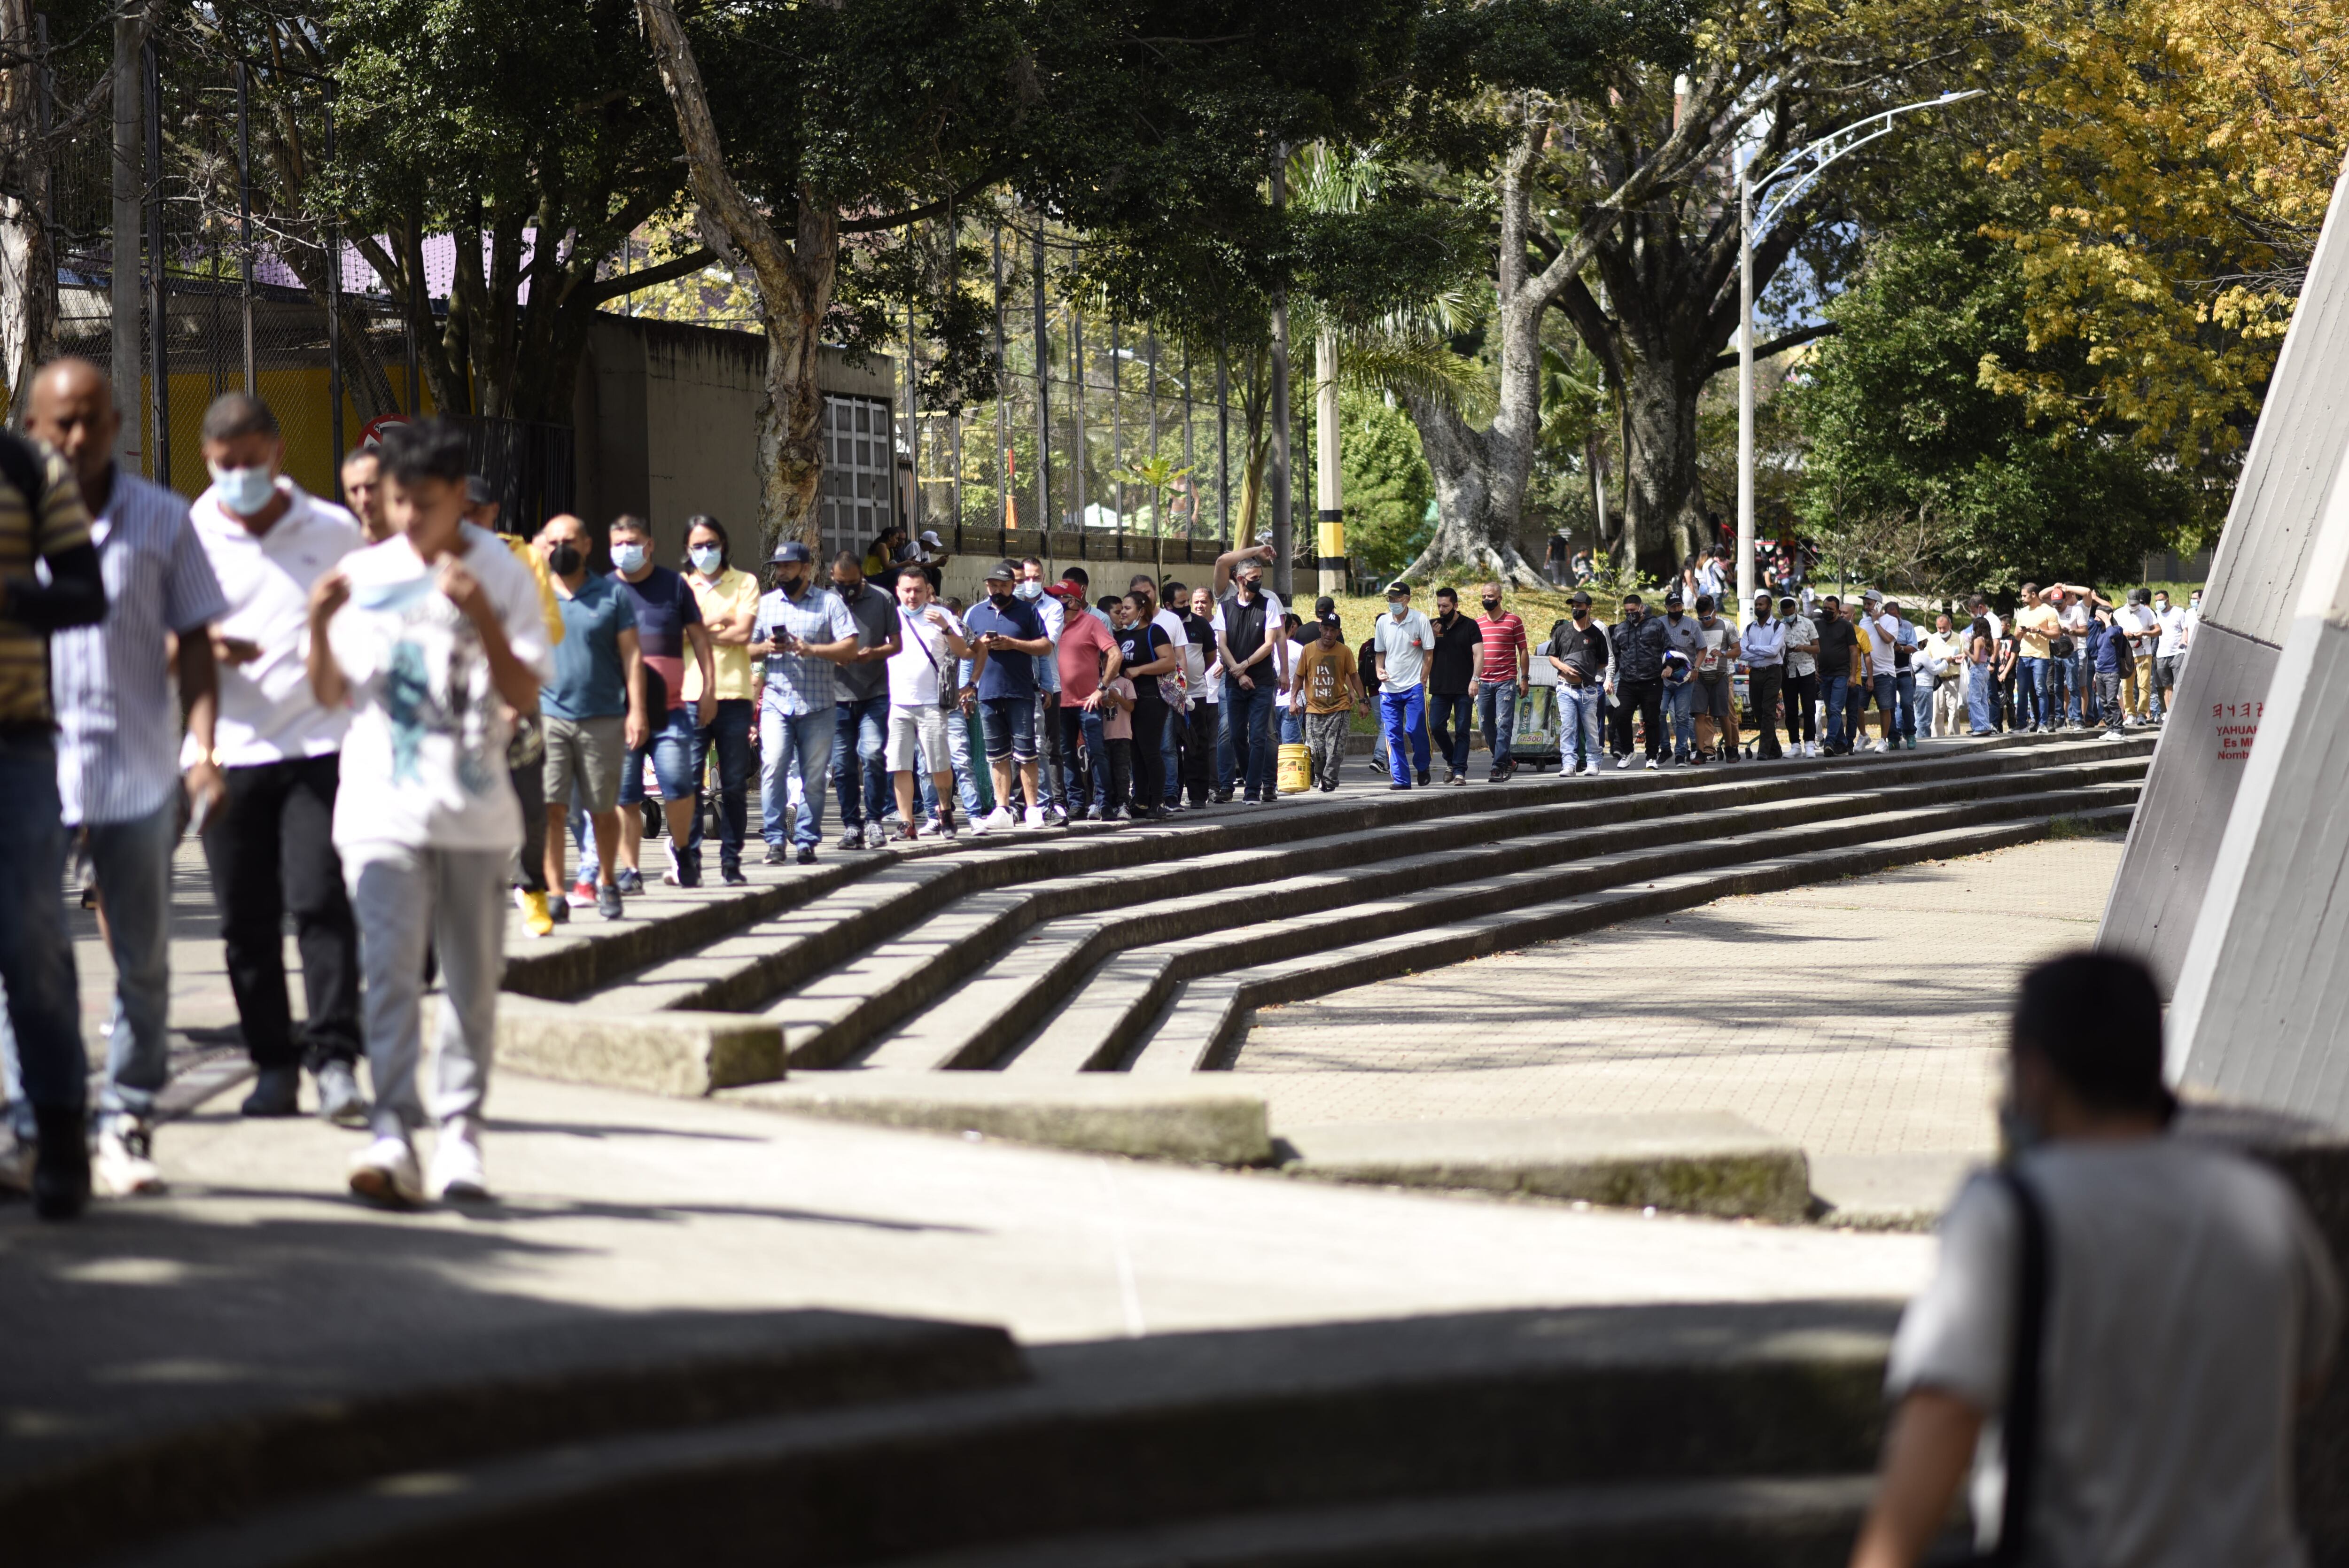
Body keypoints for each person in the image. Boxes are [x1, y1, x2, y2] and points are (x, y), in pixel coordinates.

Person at [1848, 951, 2340, 1568]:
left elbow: (1946, 1410)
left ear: (2036, 1073)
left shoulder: (2008, 1213)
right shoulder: (2264, 1203)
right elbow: (2306, 1374)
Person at [306, 418, 550, 1206]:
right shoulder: (363, 572)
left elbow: (521, 694)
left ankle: (460, 1139)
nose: (408, 518)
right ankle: (390, 1131)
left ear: (460, 499)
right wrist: (316, 621)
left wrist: (480, 614)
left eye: (425, 503)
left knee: (472, 985)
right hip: (380, 807)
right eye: (397, 501)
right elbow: (327, 694)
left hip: (475, 815)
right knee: (387, 972)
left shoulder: (502, 573)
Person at [5, 361, 224, 1198]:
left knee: (141, 959)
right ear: (32, 428)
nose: (77, 438)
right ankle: (32, 1122)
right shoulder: (12, 514)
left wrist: (202, 747)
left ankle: (126, 1116)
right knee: (21, 954)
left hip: (136, 770)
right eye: (60, 423)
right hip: (32, 767)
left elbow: (198, 641)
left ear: (119, 422)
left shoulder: (164, 519)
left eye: (93, 420)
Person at [183, 391, 367, 1121]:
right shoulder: (189, 532)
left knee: (319, 901)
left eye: (251, 464)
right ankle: (272, 1065)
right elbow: (162, 640)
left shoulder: (331, 530)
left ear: (278, 453)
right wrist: (200, 651)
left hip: (318, 744)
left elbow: (362, 636)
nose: (239, 480)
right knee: (244, 920)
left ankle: (335, 1060)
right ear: (208, 460)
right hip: (227, 751)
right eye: (226, 467)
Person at [0, 370, 110, 1218]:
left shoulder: (31, 470)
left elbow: (85, 592)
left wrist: (13, 596)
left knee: (34, 943)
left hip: (18, 746)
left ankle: (62, 1134)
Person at [537, 513, 642, 920]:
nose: (561, 547)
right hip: (549, 717)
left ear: (586, 545)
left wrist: (637, 710)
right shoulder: (534, 594)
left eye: (570, 539)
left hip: (602, 717)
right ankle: (554, 893)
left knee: (602, 808)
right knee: (552, 808)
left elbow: (632, 655)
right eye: (553, 541)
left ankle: (608, 882)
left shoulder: (611, 595)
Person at [605, 514, 715, 887]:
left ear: (649, 545)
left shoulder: (675, 586)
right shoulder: (603, 591)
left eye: (632, 542)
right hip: (619, 715)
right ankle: (630, 870)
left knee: (680, 786)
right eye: (617, 544)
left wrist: (709, 690)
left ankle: (684, 851)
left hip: (670, 711)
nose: (625, 551)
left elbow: (700, 639)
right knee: (626, 796)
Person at [750, 540, 856, 865]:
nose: (781, 573)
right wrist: (766, 648)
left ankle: (807, 840)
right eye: (778, 568)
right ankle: (775, 840)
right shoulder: (765, 606)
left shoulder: (830, 604)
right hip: (777, 704)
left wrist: (811, 650)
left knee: (814, 777)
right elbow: (743, 650)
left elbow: (850, 649)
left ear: (806, 568)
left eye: (788, 567)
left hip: (819, 706)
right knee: (773, 768)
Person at [680, 516, 759, 885]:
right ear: (687, 549)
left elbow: (743, 632)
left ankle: (731, 861)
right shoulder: (680, 585)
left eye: (711, 544)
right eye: (698, 546)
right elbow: (670, 635)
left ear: (724, 544)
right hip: (691, 697)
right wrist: (719, 624)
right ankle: (690, 859)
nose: (705, 552)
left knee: (733, 784)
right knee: (688, 784)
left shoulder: (745, 582)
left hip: (735, 696)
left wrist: (697, 630)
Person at [964, 560, 1053, 832]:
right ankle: (1002, 808)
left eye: (1004, 585)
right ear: (986, 586)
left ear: (1014, 586)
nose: (998, 590)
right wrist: (967, 687)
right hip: (988, 693)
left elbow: (1046, 646)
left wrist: (1013, 643)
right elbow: (966, 653)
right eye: (994, 585)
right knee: (996, 754)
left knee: (1027, 754)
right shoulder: (975, 613)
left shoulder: (1027, 611)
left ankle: (1033, 809)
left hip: (1021, 692)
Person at [884, 567, 970, 841]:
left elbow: (964, 652)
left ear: (927, 590)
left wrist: (945, 628)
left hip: (932, 703)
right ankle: (906, 823)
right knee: (901, 765)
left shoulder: (942, 615)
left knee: (939, 763)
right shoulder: (889, 617)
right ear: (898, 591)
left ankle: (945, 811)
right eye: (907, 590)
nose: (912, 596)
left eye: (918, 590)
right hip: (897, 703)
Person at [826, 550, 902, 851]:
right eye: (840, 582)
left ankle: (874, 820)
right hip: (836, 697)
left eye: (853, 582)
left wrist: (874, 653)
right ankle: (851, 826)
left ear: (863, 577)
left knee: (872, 755)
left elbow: (896, 645)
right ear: (832, 577)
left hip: (875, 693)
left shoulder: (882, 599)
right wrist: (835, 655)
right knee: (842, 765)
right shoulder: (825, 602)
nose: (846, 589)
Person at [1213, 551, 1284, 802]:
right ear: (1241, 579)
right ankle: (1248, 774)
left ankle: (1254, 789)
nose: (1259, 581)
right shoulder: (1224, 608)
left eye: (1260, 577)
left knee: (1259, 736)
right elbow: (1222, 644)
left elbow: (1269, 644)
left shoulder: (1269, 605)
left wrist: (1244, 665)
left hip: (1262, 682)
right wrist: (1237, 671)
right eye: (1254, 577)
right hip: (1235, 682)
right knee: (1235, 736)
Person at [1052, 579, 1120, 821]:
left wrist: (1101, 688)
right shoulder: (1052, 624)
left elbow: (1115, 654)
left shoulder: (1092, 623)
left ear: (1071, 601)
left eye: (1058, 597)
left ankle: (1104, 804)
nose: (1053, 601)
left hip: (1087, 703)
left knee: (1097, 753)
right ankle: (1076, 804)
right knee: (1066, 755)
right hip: (1059, 703)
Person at [1109, 583, 1179, 817]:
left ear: (1142, 610)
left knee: (1150, 751)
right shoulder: (1121, 635)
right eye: (1121, 609)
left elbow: (1169, 661)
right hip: (1128, 701)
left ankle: (1158, 801)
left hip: (1152, 698)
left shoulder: (1154, 632)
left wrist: (1140, 670)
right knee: (1135, 753)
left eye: (1128, 608)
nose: (1123, 613)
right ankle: (1140, 801)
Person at [1018, 558, 1070, 824]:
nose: (1030, 582)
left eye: (1036, 577)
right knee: (1017, 746)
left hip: (1048, 685)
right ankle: (1019, 803)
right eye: (1025, 578)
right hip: (1015, 684)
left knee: (1049, 747)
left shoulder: (1053, 608)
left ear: (1044, 577)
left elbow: (1046, 643)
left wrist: (1012, 638)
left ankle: (1056, 801)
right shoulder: (1008, 607)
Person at [1372, 579, 1435, 790]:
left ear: (1407, 600)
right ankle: (1401, 779)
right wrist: (1379, 670)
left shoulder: (1420, 620)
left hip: (1413, 686)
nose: (1393, 603)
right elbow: (1380, 652)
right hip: (1389, 690)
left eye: (1397, 599)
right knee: (1393, 734)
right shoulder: (1383, 623)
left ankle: (1423, 765)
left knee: (1416, 729)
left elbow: (1429, 653)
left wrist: (1423, 680)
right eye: (1390, 599)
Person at [1547, 591, 1611, 776]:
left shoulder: (1597, 634)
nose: (1576, 609)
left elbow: (1604, 661)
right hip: (1565, 688)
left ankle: (1593, 762)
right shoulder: (1562, 631)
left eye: (1579, 606)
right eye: (1573, 606)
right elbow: (1553, 656)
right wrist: (1564, 668)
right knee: (1568, 726)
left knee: (1591, 728)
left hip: (1588, 689)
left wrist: (1587, 671)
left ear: (1588, 608)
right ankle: (1568, 763)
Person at [1295, 612, 1361, 791]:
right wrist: (1293, 701)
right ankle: (1320, 774)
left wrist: (1363, 700)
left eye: (1333, 630)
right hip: (1314, 708)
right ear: (1320, 629)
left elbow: (1354, 676)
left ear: (1339, 632)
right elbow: (1299, 676)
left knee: (1335, 749)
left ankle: (1330, 780)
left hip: (1339, 708)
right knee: (1316, 751)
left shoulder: (1344, 651)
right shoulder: (1308, 649)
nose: (1329, 634)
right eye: (1326, 629)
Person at [1426, 586, 1481, 785]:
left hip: (1464, 687)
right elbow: (1423, 654)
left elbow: (1479, 654)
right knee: (1436, 727)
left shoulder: (1470, 626)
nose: (1441, 610)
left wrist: (1476, 679)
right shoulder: (1433, 625)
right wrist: (1430, 636)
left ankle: (1459, 771)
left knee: (1462, 730)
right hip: (1440, 687)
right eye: (1439, 606)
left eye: (1446, 606)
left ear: (1456, 605)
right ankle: (1451, 759)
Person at [1476, 582, 1530, 782]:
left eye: (1490, 596)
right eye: (1483, 596)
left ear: (1500, 598)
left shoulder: (1514, 621)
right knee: (1485, 725)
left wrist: (1524, 679)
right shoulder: (1477, 623)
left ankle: (1498, 766)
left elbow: (1523, 650)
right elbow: (1472, 654)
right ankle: (1508, 760)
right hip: (1483, 682)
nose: (1486, 600)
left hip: (1505, 680)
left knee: (1504, 723)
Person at [1607, 591, 1666, 768]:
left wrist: (1669, 666)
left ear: (1641, 608)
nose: (1630, 614)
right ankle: (1628, 752)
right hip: (1627, 681)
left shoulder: (1655, 625)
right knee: (1621, 715)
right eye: (1626, 611)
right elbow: (1615, 658)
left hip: (1652, 680)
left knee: (1652, 720)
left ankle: (1651, 757)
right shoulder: (1620, 629)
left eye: (1633, 610)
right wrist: (1609, 679)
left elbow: (1669, 648)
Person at [1179, 583, 1221, 807]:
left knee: (1200, 744)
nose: (1195, 606)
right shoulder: (1165, 625)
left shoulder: (1202, 626)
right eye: (1190, 602)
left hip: (1200, 695)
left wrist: (1192, 677)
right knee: (1172, 746)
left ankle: (1199, 794)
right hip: (1170, 697)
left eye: (1201, 601)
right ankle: (1172, 794)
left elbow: (1211, 658)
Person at [1652, 591, 1702, 768]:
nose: (1677, 609)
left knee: (1682, 717)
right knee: (1658, 712)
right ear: (1666, 608)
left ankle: (1681, 753)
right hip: (1663, 679)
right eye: (1673, 606)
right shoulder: (1658, 624)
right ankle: (1665, 748)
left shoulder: (1692, 625)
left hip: (1685, 680)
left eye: (1679, 606)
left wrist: (1696, 668)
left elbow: (1702, 649)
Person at [1689, 594, 1737, 763]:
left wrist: (1723, 653)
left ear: (1715, 612)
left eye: (1708, 617)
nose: (1705, 621)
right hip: (1700, 676)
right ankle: (1701, 751)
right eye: (1701, 618)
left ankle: (1730, 748)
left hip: (1720, 676)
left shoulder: (1727, 626)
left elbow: (1737, 651)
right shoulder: (1696, 627)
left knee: (1723, 714)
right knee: (1700, 715)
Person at [2008, 582, 2059, 734]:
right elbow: (2016, 636)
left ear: (2033, 595)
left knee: (2040, 690)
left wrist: (2039, 630)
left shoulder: (2048, 611)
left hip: (2041, 657)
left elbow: (2056, 634)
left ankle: (2043, 723)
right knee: (2022, 691)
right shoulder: (2023, 612)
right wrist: (2022, 632)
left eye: (2024, 595)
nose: (2022, 598)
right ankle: (2022, 723)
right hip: (2024, 656)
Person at [1741, 593, 1786, 761]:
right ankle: (1775, 749)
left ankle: (1764, 751)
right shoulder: (1749, 628)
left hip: (1773, 672)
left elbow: (1774, 651)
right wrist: (1760, 652)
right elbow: (1743, 653)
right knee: (1758, 711)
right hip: (1755, 673)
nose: (1758, 607)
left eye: (1761, 605)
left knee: (1768, 711)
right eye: (1757, 605)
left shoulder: (1778, 627)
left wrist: (1753, 648)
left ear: (1769, 607)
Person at [1815, 595, 1857, 755]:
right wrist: (1815, 669)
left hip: (1841, 674)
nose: (1826, 611)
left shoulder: (1846, 626)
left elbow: (1854, 651)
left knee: (1835, 708)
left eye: (1830, 610)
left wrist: (1853, 675)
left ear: (1838, 611)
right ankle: (1843, 743)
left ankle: (1829, 742)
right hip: (1824, 675)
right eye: (1825, 608)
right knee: (1832, 711)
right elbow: (1814, 648)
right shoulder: (1817, 625)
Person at [1779, 593, 1819, 757]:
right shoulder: (1779, 626)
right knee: (1791, 709)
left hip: (1807, 670)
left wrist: (1804, 647)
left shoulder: (1808, 623)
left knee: (1809, 707)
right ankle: (1795, 744)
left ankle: (1810, 742)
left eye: (1791, 613)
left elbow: (1817, 648)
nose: (1789, 616)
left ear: (1796, 609)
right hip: (1788, 672)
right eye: (1785, 614)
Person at [2117, 588, 2162, 724]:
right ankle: (2130, 713)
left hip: (2144, 651)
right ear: (2127, 601)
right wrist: (2124, 633)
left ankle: (2142, 713)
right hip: (2127, 653)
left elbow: (2158, 631)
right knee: (2127, 686)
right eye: (2132, 604)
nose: (2134, 607)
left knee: (2144, 685)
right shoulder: (2119, 613)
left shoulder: (2147, 612)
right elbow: (2112, 631)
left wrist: (2144, 633)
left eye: (2136, 604)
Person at [1922, 613, 1968, 738]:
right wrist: (1943, 660)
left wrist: (1957, 660)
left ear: (1950, 626)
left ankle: (1954, 738)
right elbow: (1927, 659)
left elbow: (1966, 656)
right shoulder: (1933, 639)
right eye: (1939, 628)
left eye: (1945, 628)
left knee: (1954, 712)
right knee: (1937, 712)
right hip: (1938, 680)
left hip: (1954, 679)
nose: (1942, 631)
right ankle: (1937, 739)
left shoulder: (1959, 639)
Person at [2092, 603, 2129, 741]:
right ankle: (2111, 728)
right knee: (2104, 702)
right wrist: (2096, 675)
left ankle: (2119, 730)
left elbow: (2113, 633)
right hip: (2100, 672)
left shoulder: (2117, 630)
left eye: (2099, 616)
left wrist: (2108, 620)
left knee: (2112, 701)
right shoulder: (2100, 633)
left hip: (2112, 672)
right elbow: (2100, 654)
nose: (2096, 620)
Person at [341, 446, 390, 543]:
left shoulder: (418, 547)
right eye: (354, 490)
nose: (364, 499)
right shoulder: (344, 552)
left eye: (371, 487)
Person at [2151, 589, 2187, 717]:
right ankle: (2169, 712)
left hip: (2177, 653)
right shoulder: (2155, 615)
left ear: (2167, 599)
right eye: (2156, 601)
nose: (2158, 603)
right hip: (2161, 655)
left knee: (2179, 684)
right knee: (2167, 685)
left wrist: (2184, 641)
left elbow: (2185, 629)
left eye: (2160, 600)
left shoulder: (2178, 612)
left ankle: (2181, 712)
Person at [1965, 606, 1999, 736]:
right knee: (1983, 699)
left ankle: (1980, 726)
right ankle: (1985, 725)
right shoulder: (1988, 640)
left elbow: (1976, 659)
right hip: (1984, 671)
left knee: (1974, 700)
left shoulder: (1978, 640)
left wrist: (1966, 651)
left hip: (1977, 670)